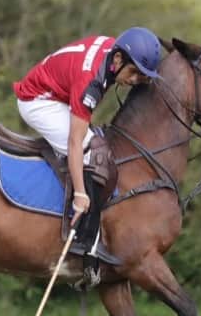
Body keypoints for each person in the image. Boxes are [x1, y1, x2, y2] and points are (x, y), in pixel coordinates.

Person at [13, 27, 162, 272]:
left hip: (57, 93)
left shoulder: (113, 49)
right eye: (133, 72)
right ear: (117, 60)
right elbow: (74, 142)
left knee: (95, 144)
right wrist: (81, 194)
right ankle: (84, 241)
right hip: (38, 102)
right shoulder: (91, 84)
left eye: (141, 76)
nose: (135, 80)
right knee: (92, 153)